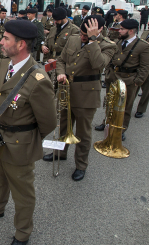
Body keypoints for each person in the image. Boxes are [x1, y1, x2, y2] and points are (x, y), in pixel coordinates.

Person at [0, 19, 57, 245]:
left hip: (20, 144)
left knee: (23, 193)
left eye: (6, 38)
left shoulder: (38, 80)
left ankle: (22, 233)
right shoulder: (5, 65)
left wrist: (26, 140)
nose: (1, 41)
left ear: (21, 45)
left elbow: (48, 123)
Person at [43, 16, 117, 181]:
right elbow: (61, 60)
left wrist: (92, 41)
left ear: (98, 31)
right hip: (67, 89)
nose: (82, 37)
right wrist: (61, 71)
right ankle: (59, 153)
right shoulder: (74, 38)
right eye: (82, 33)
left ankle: (81, 165)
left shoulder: (108, 46)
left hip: (87, 94)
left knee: (83, 133)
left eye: (86, 34)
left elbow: (99, 64)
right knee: (62, 125)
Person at [95, 19, 149, 141]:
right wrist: (108, 72)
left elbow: (145, 67)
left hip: (129, 80)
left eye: (122, 29)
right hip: (113, 77)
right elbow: (110, 58)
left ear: (131, 31)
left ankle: (121, 129)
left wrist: (137, 81)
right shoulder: (117, 42)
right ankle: (107, 123)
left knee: (125, 106)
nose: (119, 31)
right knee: (110, 102)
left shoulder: (143, 46)